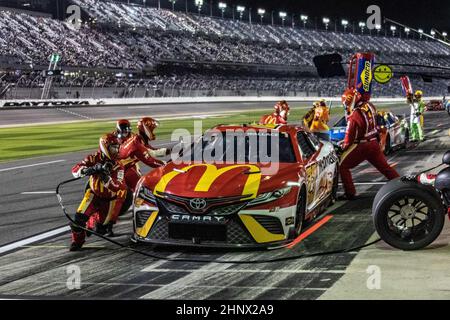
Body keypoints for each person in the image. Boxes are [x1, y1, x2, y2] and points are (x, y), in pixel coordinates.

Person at [339, 88, 400, 200]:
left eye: (345, 103)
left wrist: (344, 146)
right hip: (373, 143)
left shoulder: (355, 115)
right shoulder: (370, 106)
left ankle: (350, 193)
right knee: (385, 168)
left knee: (343, 166)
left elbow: (350, 135)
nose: (345, 106)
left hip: (362, 145)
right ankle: (401, 185)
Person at [70, 134, 127, 251]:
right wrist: (87, 170)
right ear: (105, 146)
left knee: (101, 229)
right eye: (113, 147)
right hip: (93, 195)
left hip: (109, 200)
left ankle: (95, 220)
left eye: (117, 147)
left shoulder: (119, 165)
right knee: (77, 221)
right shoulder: (93, 158)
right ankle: (77, 241)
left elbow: (118, 186)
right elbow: (75, 169)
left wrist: (107, 178)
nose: (116, 150)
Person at [118, 117, 169, 193]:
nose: (153, 131)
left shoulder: (139, 139)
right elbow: (149, 161)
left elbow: (152, 152)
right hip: (124, 169)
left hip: (128, 166)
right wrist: (166, 165)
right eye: (152, 129)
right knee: (141, 190)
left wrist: (169, 151)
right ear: (146, 129)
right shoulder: (136, 142)